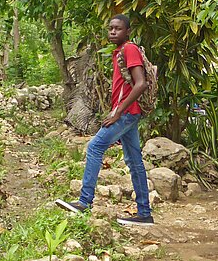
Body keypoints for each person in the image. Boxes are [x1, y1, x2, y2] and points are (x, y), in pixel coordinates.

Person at [55, 14, 154, 226]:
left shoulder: (129, 49)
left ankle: (84, 202)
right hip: (129, 112)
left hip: (127, 113)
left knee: (94, 147)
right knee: (134, 161)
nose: (112, 32)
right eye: (110, 28)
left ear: (127, 31)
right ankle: (144, 213)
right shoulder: (119, 52)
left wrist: (118, 112)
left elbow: (141, 84)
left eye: (118, 29)